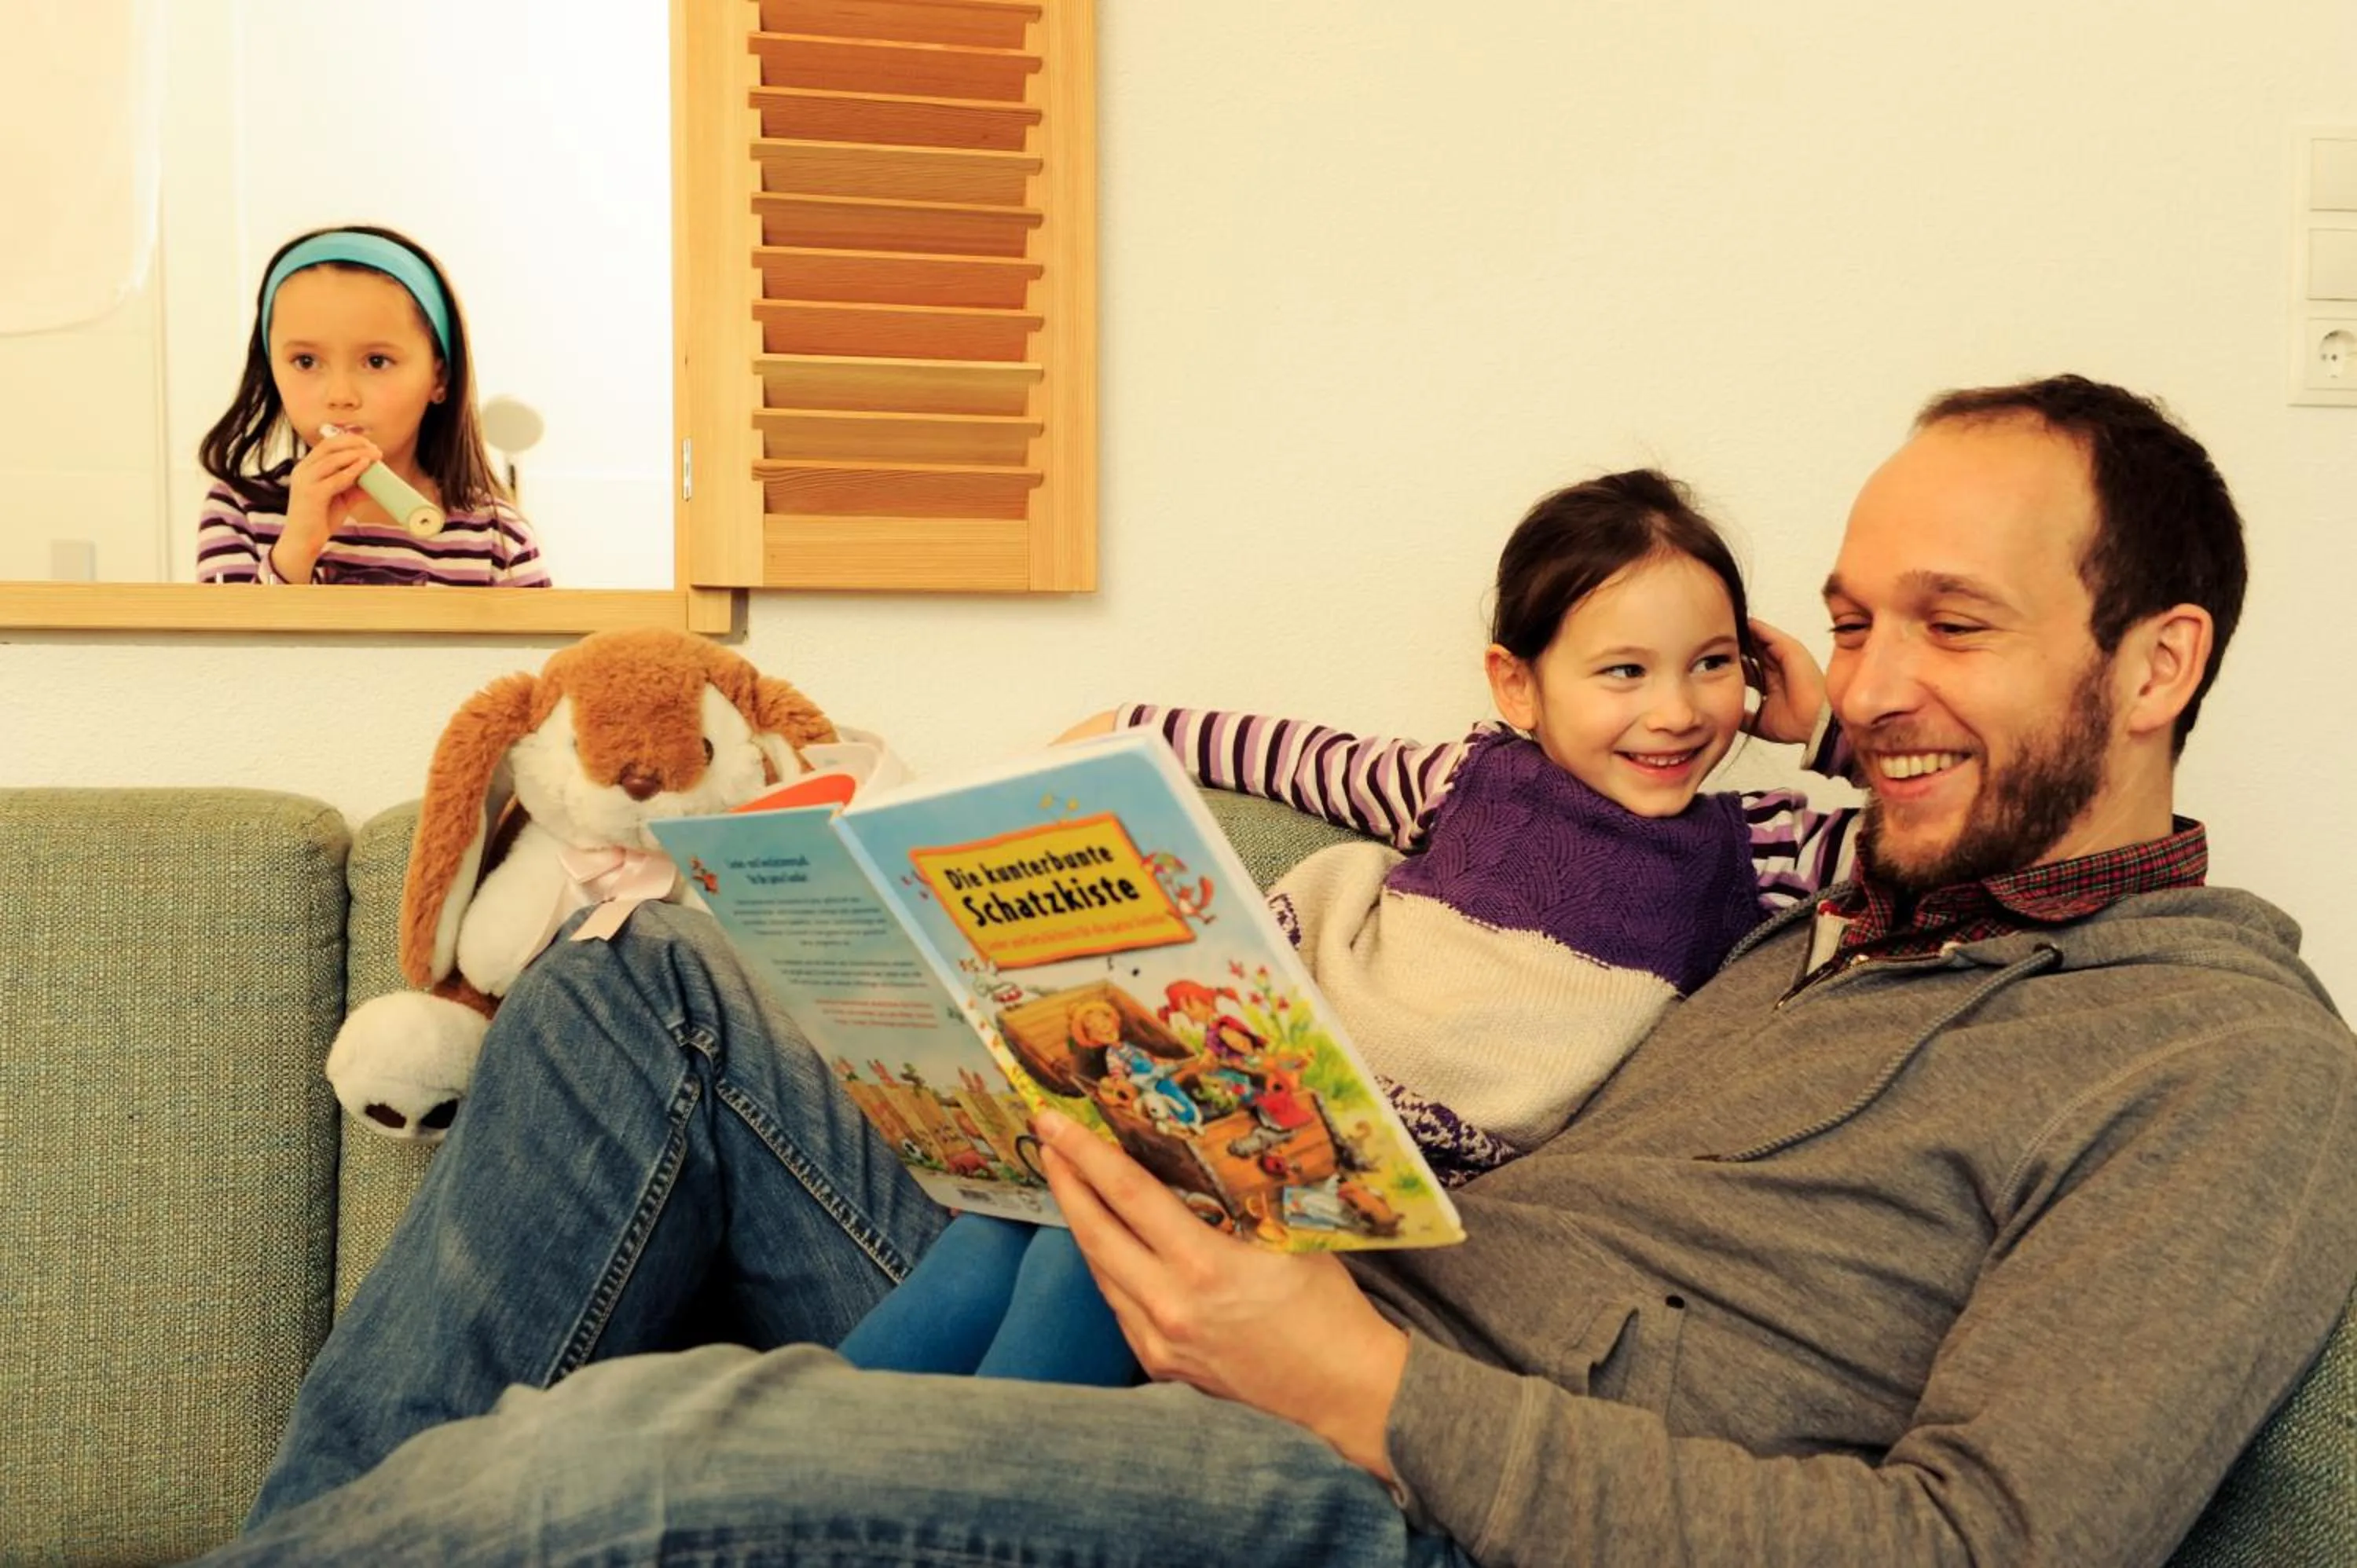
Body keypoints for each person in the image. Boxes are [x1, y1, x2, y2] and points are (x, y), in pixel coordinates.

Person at [204, 375, 2357, 1567]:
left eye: (1950, 626)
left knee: (616, 1471)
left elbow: (1982, 1549)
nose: (1877, 683)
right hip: (1234, 1307)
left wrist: (1352, 1376)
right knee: (641, 980)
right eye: (1855, 624)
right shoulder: (1842, 903)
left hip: (1381, 1473)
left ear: (2162, 658)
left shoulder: (2220, 1061)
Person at [836, 469, 1862, 1387]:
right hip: (1271, 1094)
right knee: (1019, 1218)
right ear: (1518, 683)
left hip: (1398, 1204)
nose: (1678, 711)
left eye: (1713, 664)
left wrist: (1825, 730)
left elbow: (1987, 843)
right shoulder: (1461, 780)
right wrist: (1078, 758)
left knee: (1097, 1243)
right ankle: (788, 1458)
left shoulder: (1756, 848)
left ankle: (927, 1490)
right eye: (1624, 672)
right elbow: (1256, 748)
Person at [194, 224, 551, 588]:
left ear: (439, 378)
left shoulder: (499, 538)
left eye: (377, 361)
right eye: (305, 361)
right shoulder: (237, 512)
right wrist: (297, 549)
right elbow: (233, 645)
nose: (340, 395)